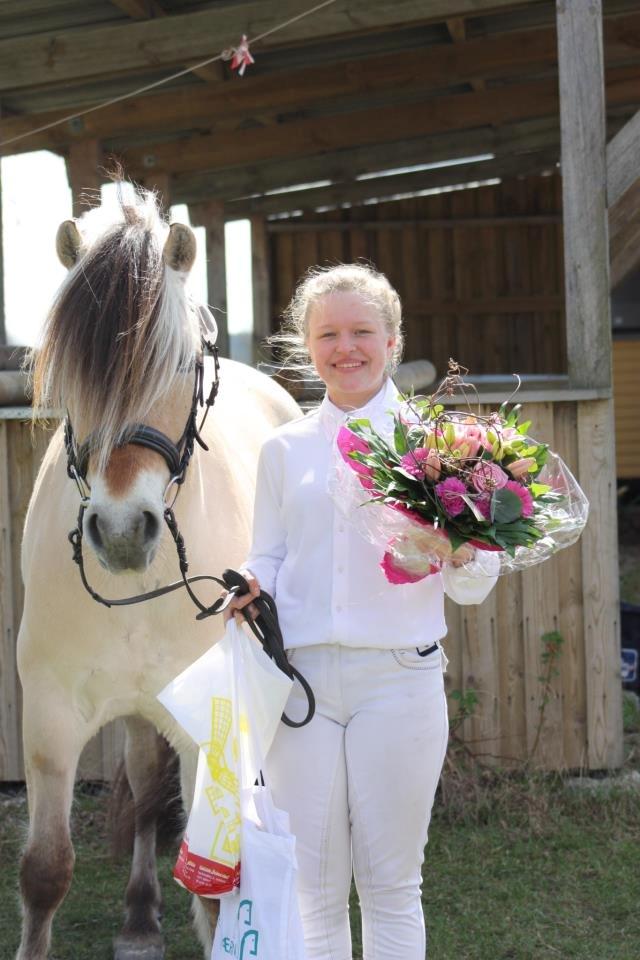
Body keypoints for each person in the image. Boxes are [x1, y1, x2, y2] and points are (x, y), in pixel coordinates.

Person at [226, 263, 497, 960]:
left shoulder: (439, 447)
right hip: (303, 691)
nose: (346, 348)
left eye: (361, 332)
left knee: (391, 887)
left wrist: (454, 550)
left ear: (393, 340)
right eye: (328, 334)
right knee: (312, 892)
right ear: (308, 345)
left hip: (400, 683)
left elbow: (481, 577)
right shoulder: (283, 449)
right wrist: (251, 582)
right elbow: (272, 554)